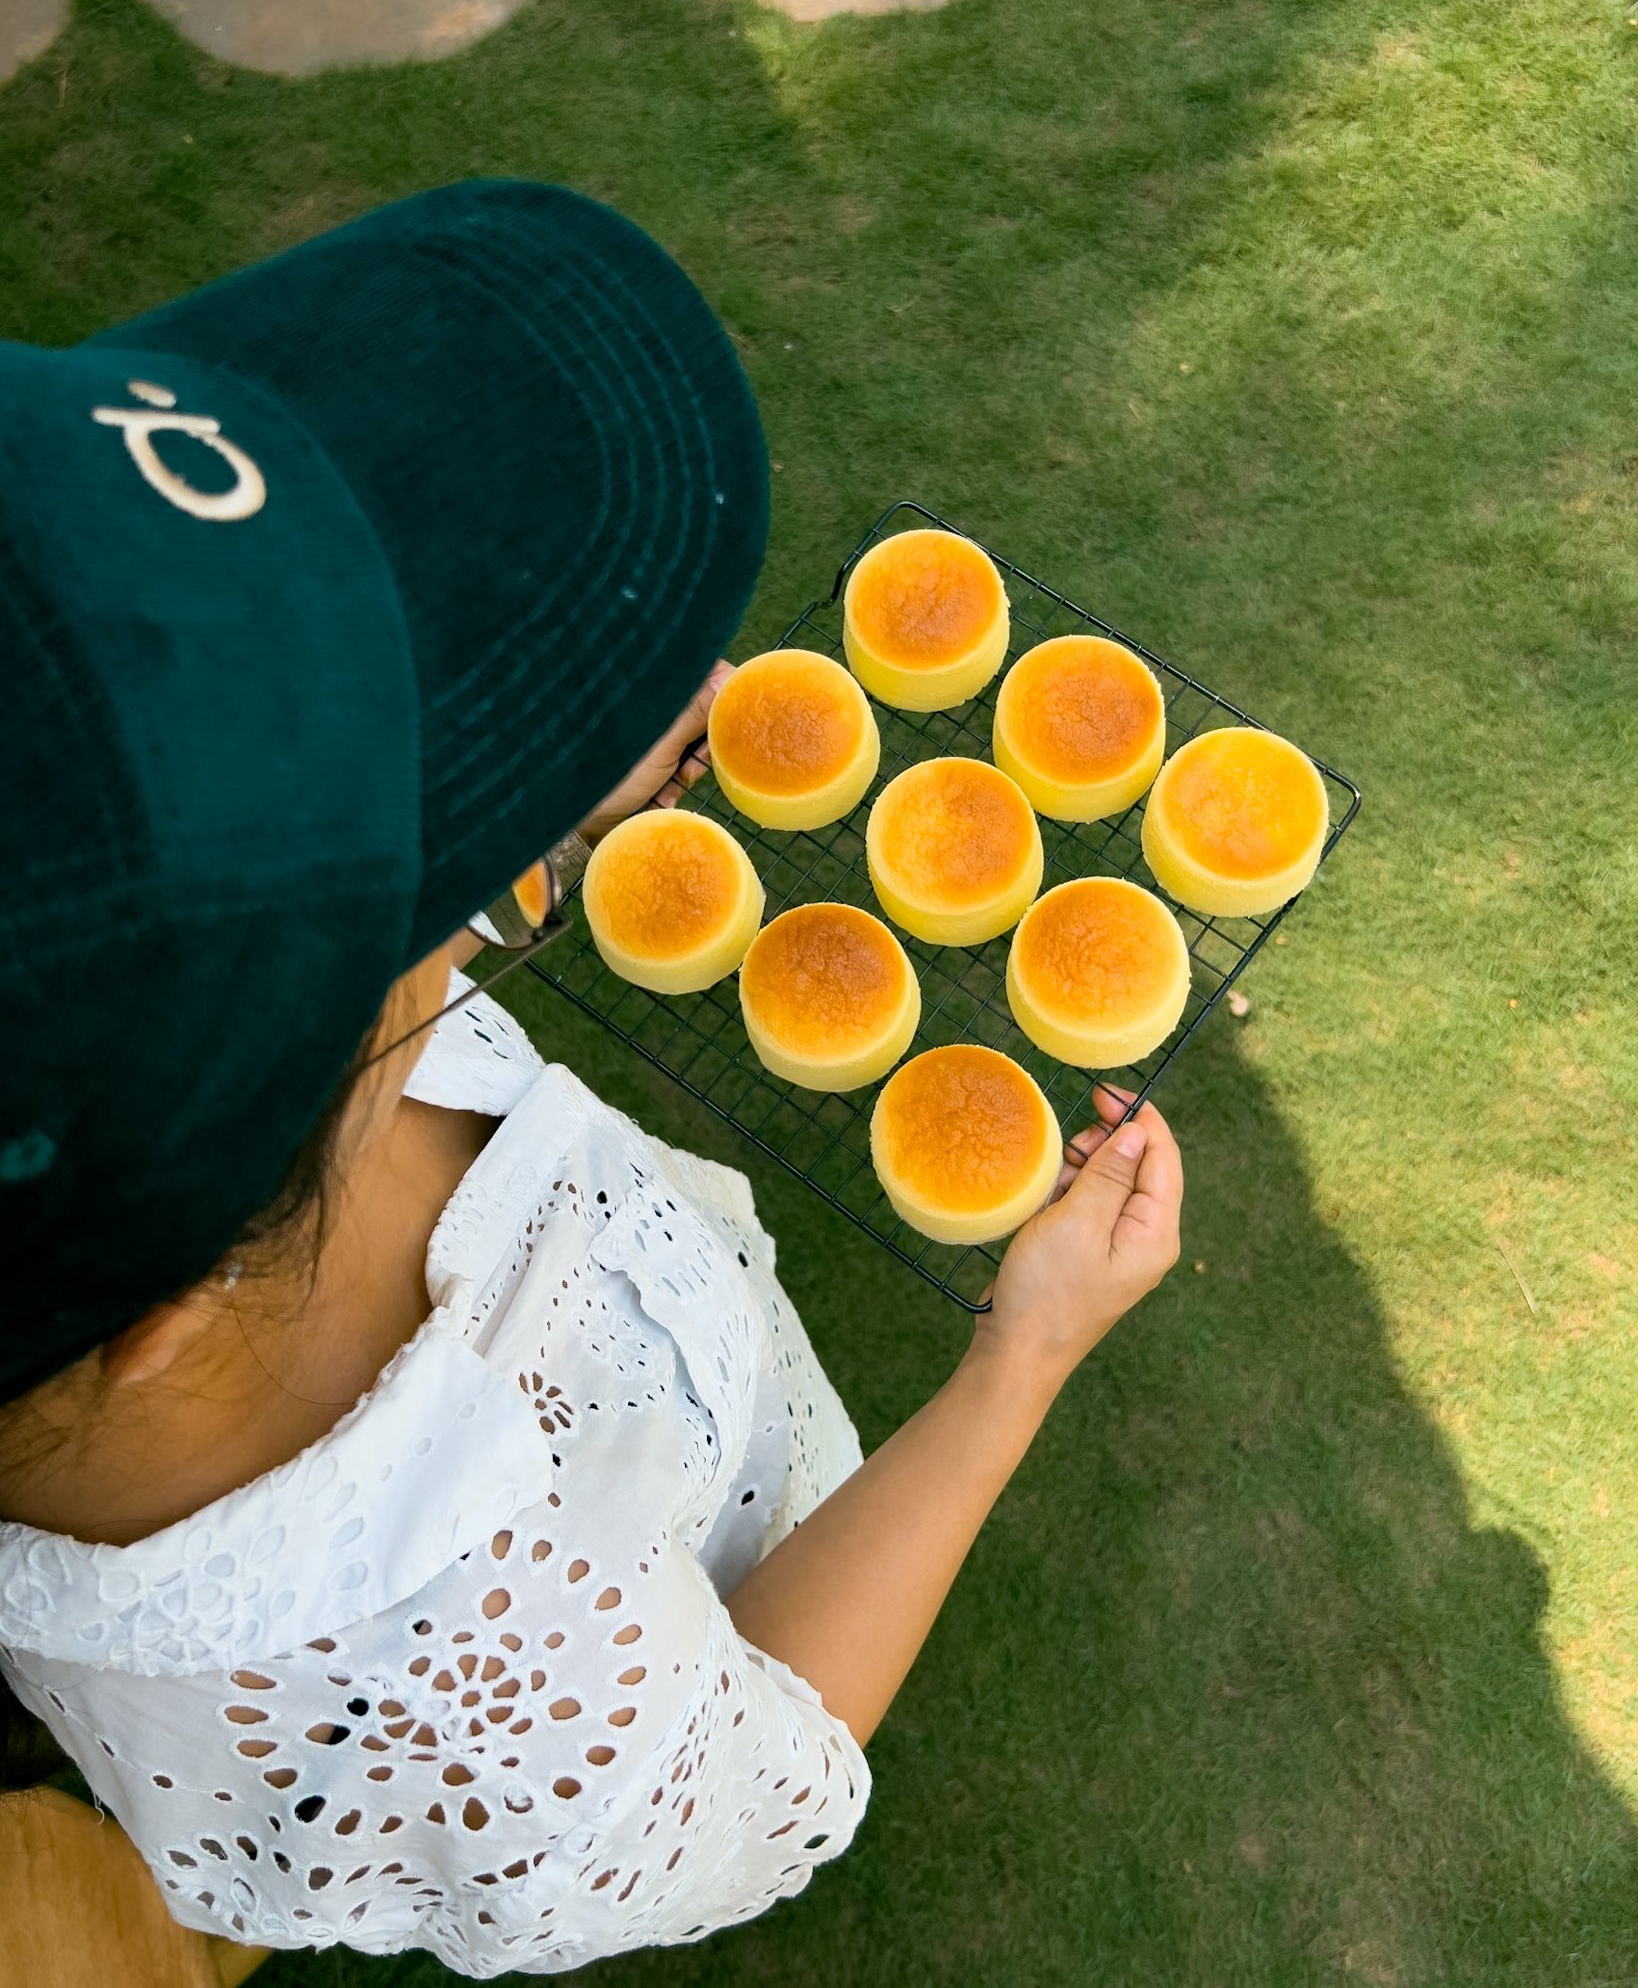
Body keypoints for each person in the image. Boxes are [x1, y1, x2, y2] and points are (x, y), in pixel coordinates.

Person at [0, 180, 1184, 1973]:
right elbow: (771, 1738)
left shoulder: (128, 1199)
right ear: (167, 1299)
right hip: (691, 1592)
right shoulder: (502, 1707)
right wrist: (1016, 1364)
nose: (462, 916)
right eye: (404, 897)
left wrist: (536, 797)